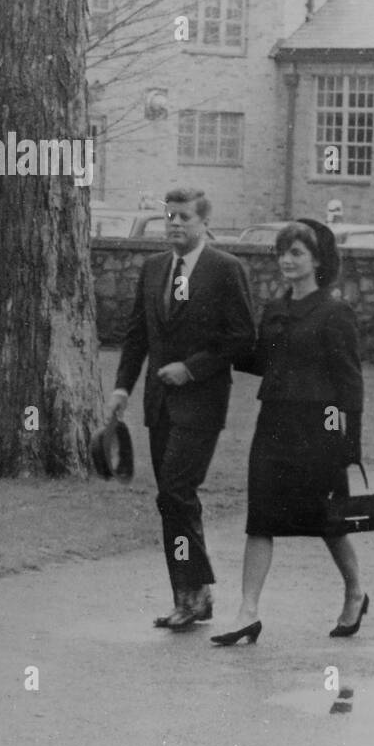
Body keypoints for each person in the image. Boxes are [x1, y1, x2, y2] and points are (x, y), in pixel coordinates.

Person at [107, 188, 256, 631]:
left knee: (175, 490)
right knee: (172, 499)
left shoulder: (227, 270)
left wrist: (191, 369)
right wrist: (120, 389)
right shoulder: (154, 269)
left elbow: (242, 339)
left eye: (184, 217)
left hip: (202, 402)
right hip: (159, 405)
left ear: (203, 223)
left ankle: (195, 592)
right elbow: (137, 336)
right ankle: (189, 595)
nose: (175, 224)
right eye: (170, 216)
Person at [212, 219, 366, 646]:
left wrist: (345, 443)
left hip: (319, 428)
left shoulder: (335, 312)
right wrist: (225, 339)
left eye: (296, 253)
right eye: (282, 252)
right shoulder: (275, 310)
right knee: (260, 517)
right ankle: (247, 612)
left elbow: (349, 384)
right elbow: (262, 361)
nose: (286, 260)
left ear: (318, 260)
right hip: (274, 423)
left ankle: (355, 590)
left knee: (328, 520)